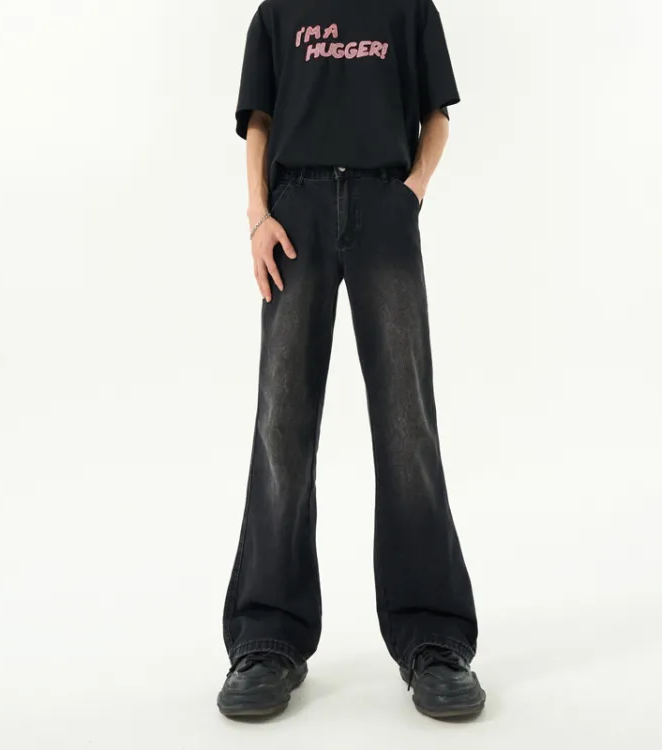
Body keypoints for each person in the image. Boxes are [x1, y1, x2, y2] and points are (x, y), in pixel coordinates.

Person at [218, 0, 484, 721]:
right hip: (294, 213)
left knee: (407, 423)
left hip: (382, 204)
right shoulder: (278, 13)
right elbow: (259, 119)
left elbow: (436, 115)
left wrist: (410, 193)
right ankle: (267, 637)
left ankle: (433, 637)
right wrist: (258, 214)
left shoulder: (409, 9)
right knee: (282, 424)